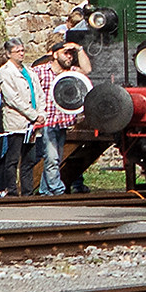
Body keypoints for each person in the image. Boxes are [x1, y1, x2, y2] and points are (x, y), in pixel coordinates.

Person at [30, 35, 88, 195]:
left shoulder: (71, 72)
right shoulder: (40, 71)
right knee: (52, 158)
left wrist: (79, 49)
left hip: (62, 122)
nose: (69, 57)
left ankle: (45, 190)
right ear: (55, 54)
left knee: (54, 158)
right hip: (47, 123)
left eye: (71, 54)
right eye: (65, 53)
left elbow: (87, 70)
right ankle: (57, 189)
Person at [0, 40, 44, 196]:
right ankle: (11, 190)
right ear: (9, 54)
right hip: (16, 122)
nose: (22, 53)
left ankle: (27, 191)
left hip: (33, 124)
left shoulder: (30, 71)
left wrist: (41, 114)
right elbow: (13, 99)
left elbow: (39, 93)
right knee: (12, 158)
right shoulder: (5, 72)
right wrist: (33, 114)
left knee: (29, 159)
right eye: (18, 51)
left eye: (23, 50)